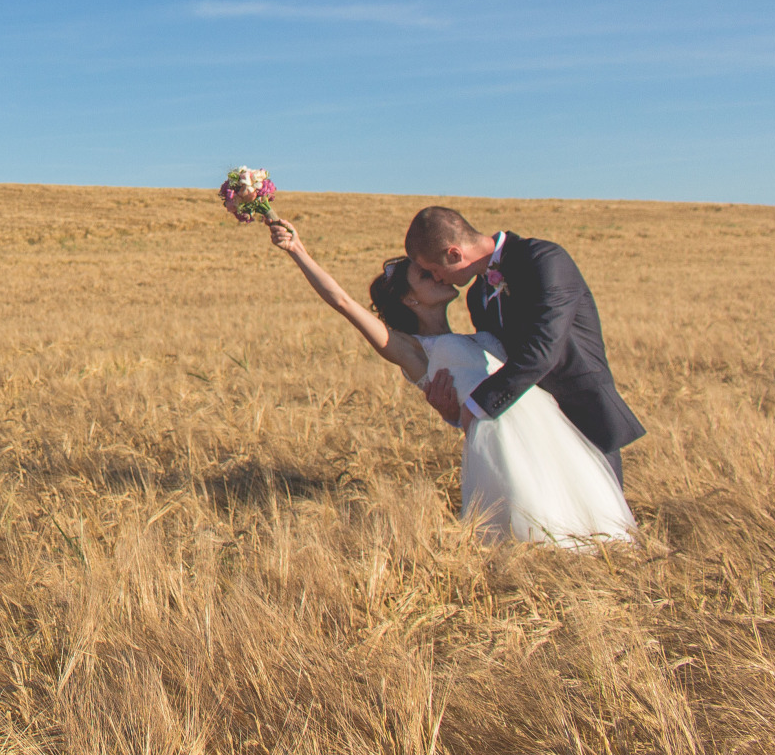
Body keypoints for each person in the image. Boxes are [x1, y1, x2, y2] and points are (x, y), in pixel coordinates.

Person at [268, 216, 635, 547]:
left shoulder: (486, 305)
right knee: (533, 531)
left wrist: (465, 408)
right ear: (410, 301)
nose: (438, 277)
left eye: (433, 271)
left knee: (588, 522)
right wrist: (298, 250)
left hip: (550, 425)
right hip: (503, 442)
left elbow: (528, 357)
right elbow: (344, 303)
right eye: (426, 277)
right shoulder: (413, 351)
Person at [403, 206, 644, 486]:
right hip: (532, 426)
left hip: (584, 414)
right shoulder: (477, 295)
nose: (437, 279)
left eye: (434, 270)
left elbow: (543, 350)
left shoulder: (543, 260)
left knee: (604, 521)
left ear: (454, 254)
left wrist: (478, 404)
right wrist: (454, 408)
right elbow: (496, 360)